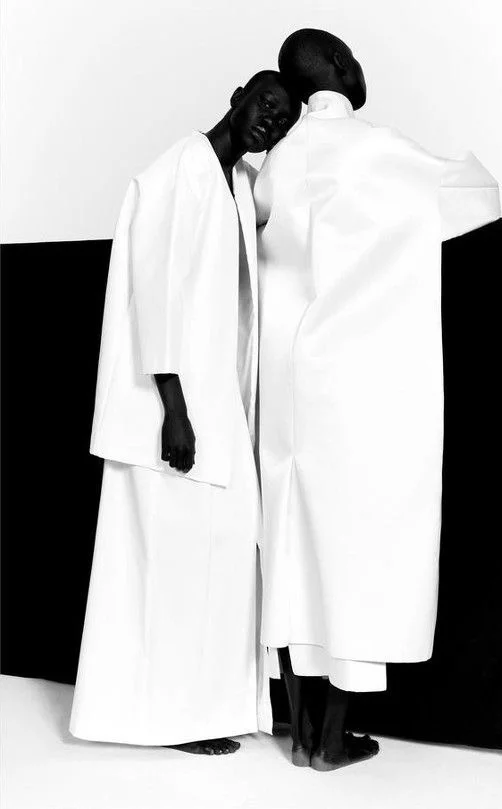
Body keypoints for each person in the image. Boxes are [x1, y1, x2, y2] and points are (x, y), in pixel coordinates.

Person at [254, 29, 501, 770]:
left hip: (285, 384)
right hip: (357, 383)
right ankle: (332, 739)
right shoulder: (374, 148)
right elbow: (474, 194)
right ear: (336, 67)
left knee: (288, 544)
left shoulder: (277, 162)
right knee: (359, 545)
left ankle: (300, 730)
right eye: (350, 58)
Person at [69, 71, 301, 755]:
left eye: (284, 120)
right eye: (266, 105)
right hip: (171, 408)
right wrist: (174, 409)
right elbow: (155, 288)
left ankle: (204, 707)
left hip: (217, 405)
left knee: (220, 561)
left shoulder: (238, 184)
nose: (270, 122)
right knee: (167, 568)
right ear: (238, 96)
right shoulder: (180, 170)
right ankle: (168, 719)